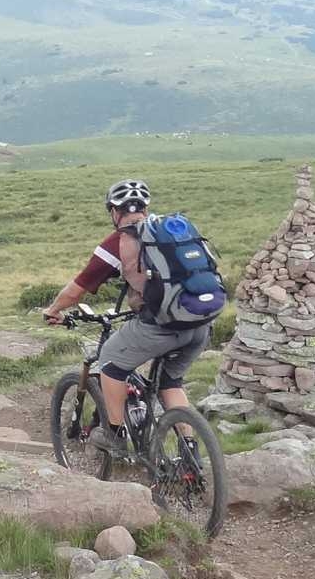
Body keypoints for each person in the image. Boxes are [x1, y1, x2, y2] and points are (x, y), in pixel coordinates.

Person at [42, 178, 210, 455]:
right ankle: (189, 451)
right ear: (145, 208)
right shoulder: (173, 231)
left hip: (161, 324)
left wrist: (53, 310)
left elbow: (77, 289)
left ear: (114, 212)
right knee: (170, 382)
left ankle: (115, 435)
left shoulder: (118, 241)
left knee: (110, 362)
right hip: (200, 323)